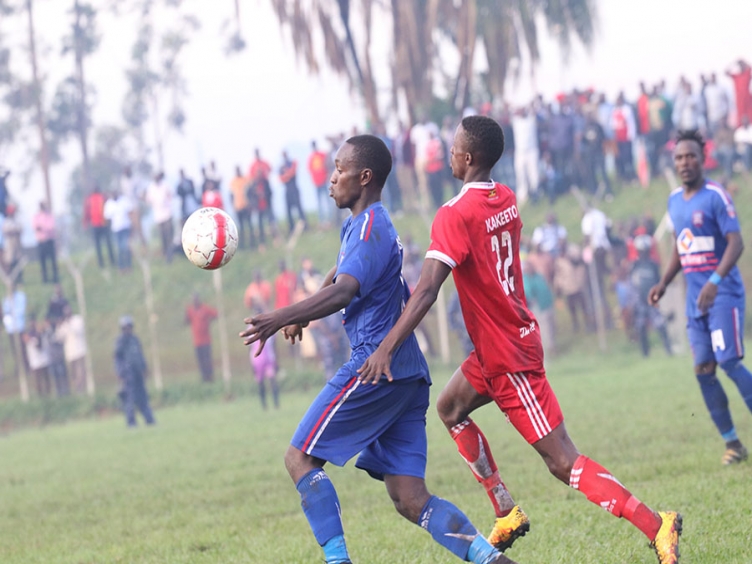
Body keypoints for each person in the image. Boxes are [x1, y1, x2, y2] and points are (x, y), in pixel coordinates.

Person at [358, 116, 681, 564]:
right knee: (450, 409)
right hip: (493, 349)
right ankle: (505, 510)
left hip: (509, 355)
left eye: (452, 148)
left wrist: (386, 346)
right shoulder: (505, 196)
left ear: (467, 157)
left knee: (562, 461)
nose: (447, 155)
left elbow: (428, 289)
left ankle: (656, 523)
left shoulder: (454, 213)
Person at [240, 134, 517, 564]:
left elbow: (345, 290)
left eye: (340, 170)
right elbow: (340, 272)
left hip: (375, 364)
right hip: (407, 375)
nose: (332, 179)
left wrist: (280, 316)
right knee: (410, 497)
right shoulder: (364, 223)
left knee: (299, 459)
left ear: (364, 177)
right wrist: (304, 315)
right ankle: (492, 560)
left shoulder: (371, 226)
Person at [649, 129, 752, 466]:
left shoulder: (716, 196)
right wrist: (664, 283)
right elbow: (682, 247)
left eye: (690, 156)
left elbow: (736, 242)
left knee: (729, 361)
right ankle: (733, 444)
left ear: (702, 158)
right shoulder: (674, 201)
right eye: (679, 157)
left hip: (722, 296)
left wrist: (714, 281)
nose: (684, 162)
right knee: (703, 368)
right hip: (696, 302)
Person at [631, 235, 672, 357]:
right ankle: (645, 353)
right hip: (640, 302)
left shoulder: (653, 265)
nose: (644, 253)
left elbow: (658, 281)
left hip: (652, 301)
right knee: (641, 327)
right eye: (642, 251)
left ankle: (668, 349)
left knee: (660, 325)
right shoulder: (635, 265)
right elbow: (632, 284)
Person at [115, 315, 155, 427]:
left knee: (143, 397)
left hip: (138, 372)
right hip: (128, 373)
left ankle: (149, 420)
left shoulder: (135, 340)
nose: (127, 329)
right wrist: (120, 372)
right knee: (130, 399)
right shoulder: (121, 341)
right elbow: (118, 358)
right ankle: (131, 422)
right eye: (125, 327)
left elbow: (140, 356)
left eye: (129, 327)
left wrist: (144, 368)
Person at [185, 293, 217, 383]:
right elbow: (186, 321)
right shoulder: (190, 310)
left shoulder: (204, 308)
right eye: (193, 300)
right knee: (201, 360)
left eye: (196, 299)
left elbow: (215, 314)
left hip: (206, 341)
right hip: (197, 341)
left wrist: (208, 321)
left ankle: (210, 377)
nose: (195, 301)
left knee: (207, 360)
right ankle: (204, 378)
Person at [55, 305, 88, 394]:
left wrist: (68, 324)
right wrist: (59, 327)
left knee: (81, 372)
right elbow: (59, 338)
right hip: (70, 353)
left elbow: (78, 331)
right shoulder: (64, 324)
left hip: (79, 351)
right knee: (74, 374)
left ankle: (82, 390)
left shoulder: (77, 320)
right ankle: (77, 389)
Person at [83, 185, 115, 268]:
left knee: (101, 245)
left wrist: (85, 223)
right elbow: (87, 211)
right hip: (100, 224)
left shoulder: (94, 198)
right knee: (105, 244)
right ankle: (107, 261)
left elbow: (87, 212)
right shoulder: (99, 197)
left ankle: (105, 262)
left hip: (99, 224)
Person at [146, 172, 174, 263]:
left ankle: (170, 256)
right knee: (163, 237)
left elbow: (171, 195)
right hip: (158, 216)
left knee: (169, 236)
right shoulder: (151, 187)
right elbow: (148, 200)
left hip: (167, 214)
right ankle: (165, 254)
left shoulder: (165, 185)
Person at [279, 150, 308, 235]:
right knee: (288, 211)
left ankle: (305, 226)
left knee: (299, 208)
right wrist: (288, 175)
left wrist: (286, 174)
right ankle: (291, 228)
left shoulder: (292, 162)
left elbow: (292, 172)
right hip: (288, 190)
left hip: (294, 188)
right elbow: (281, 178)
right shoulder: (282, 166)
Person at [32, 201, 59, 284]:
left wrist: (42, 227)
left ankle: (55, 277)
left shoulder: (49, 215)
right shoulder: (37, 216)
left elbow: (51, 226)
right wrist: (44, 228)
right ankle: (45, 278)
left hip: (49, 240)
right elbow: (35, 227)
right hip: (41, 241)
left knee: (53, 260)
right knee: (42, 261)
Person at [308, 140, 331, 226]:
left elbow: (327, 164)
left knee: (328, 200)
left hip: (324, 181)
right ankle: (322, 220)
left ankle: (330, 219)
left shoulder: (322, 155)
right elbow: (310, 170)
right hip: (317, 183)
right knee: (320, 202)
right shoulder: (311, 158)